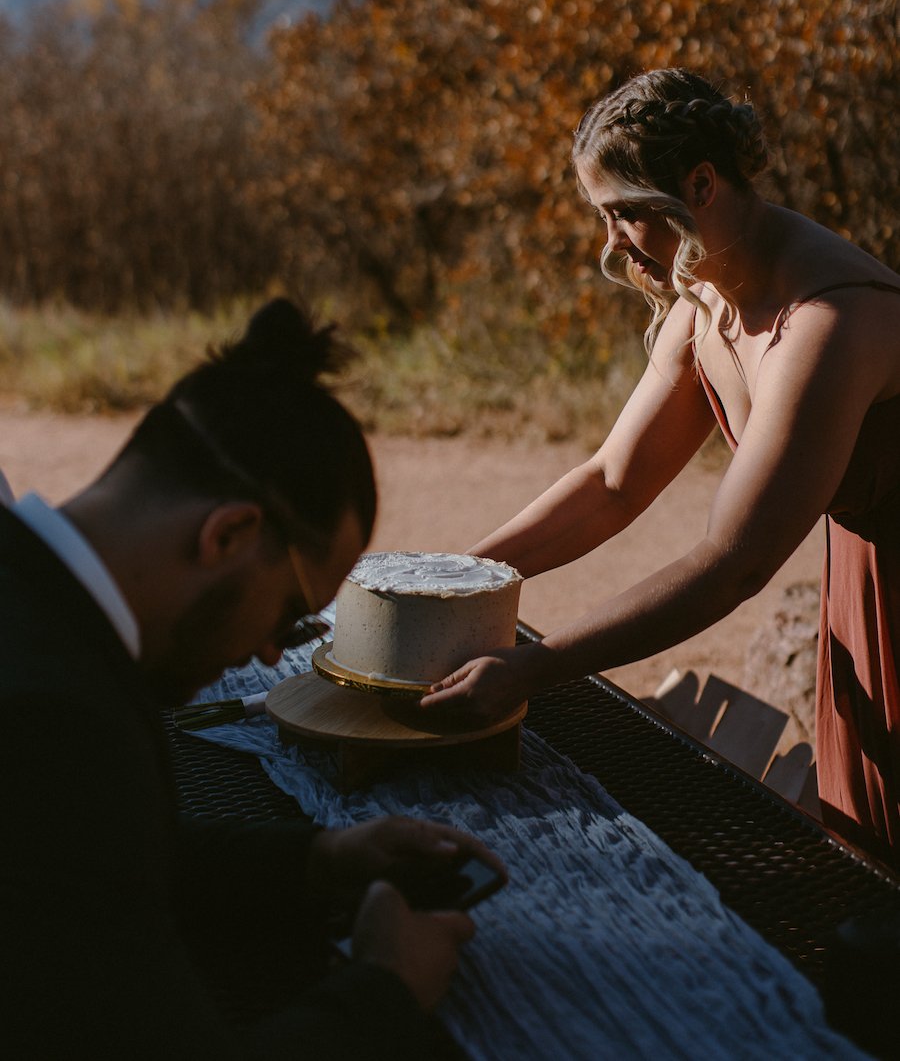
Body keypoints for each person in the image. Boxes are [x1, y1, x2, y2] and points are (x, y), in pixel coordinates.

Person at [420, 68, 900, 868]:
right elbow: (613, 482)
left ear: (701, 184)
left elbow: (731, 565)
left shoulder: (828, 322)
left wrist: (533, 668)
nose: (610, 246)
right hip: (869, 590)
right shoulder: (706, 296)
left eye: (624, 216)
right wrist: (456, 577)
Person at [0, 297, 502, 1059]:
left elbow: (83, 872)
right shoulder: (55, 720)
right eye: (293, 616)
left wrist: (314, 862)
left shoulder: (35, 609)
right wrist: (386, 988)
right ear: (228, 533)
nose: (273, 654)